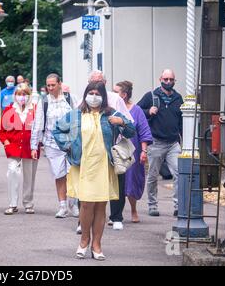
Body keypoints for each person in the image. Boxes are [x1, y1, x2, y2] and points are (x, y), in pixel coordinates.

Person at [53, 81, 135, 260]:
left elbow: (131, 130)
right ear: (85, 94)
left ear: (104, 96)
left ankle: (97, 245)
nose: (94, 96)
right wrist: (68, 146)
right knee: (86, 204)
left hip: (104, 166)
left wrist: (121, 121)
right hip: (82, 166)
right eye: (91, 92)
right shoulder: (76, 114)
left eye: (98, 93)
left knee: (100, 206)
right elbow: (57, 129)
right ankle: (84, 241)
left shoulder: (110, 114)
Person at [87, 70, 133, 231]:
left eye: (99, 81)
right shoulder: (84, 100)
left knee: (117, 184)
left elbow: (129, 121)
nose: (96, 86)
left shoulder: (115, 99)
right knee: (88, 184)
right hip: (90, 150)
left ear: (105, 83)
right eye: (93, 82)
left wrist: (120, 122)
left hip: (113, 148)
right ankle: (84, 220)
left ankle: (116, 217)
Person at [31, 73, 79, 218]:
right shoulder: (44, 102)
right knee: (59, 175)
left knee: (73, 174)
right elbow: (38, 123)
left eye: (53, 85)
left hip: (71, 143)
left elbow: (78, 119)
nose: (50, 88)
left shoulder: (70, 99)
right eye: (48, 85)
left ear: (59, 84)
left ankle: (74, 204)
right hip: (52, 144)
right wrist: (34, 145)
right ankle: (62, 206)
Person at [137, 69, 183, 217]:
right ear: (160, 79)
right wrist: (148, 111)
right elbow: (136, 111)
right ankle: (152, 205)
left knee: (178, 173)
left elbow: (181, 120)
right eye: (166, 79)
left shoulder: (178, 98)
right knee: (152, 175)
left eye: (171, 79)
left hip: (173, 143)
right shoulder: (151, 96)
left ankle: (178, 205)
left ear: (174, 81)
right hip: (156, 142)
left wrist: (184, 140)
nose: (168, 82)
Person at [113, 81, 153, 223]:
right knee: (115, 182)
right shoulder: (111, 109)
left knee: (131, 181)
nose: (112, 94)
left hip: (132, 151)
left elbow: (144, 132)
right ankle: (115, 213)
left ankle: (133, 209)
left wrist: (144, 151)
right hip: (114, 150)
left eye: (115, 91)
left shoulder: (137, 111)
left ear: (123, 95)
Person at [0, 83, 39, 215]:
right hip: (13, 147)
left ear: (29, 96)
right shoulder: (9, 109)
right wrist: (6, 142)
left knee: (29, 176)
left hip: (30, 148)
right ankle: (12, 203)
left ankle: (28, 203)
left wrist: (38, 145)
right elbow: (1, 130)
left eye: (25, 94)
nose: (22, 97)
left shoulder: (35, 110)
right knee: (12, 171)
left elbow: (39, 129)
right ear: (15, 96)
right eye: (19, 94)